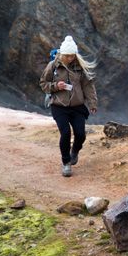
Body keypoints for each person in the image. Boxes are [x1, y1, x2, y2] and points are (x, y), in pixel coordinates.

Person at [39, 36, 98, 177]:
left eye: (73, 55)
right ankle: (66, 163)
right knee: (65, 133)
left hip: (77, 106)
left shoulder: (80, 67)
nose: (70, 58)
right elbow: (43, 83)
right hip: (59, 106)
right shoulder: (53, 66)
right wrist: (55, 86)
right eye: (68, 56)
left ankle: (75, 151)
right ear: (62, 54)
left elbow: (88, 86)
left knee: (80, 134)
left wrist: (92, 103)